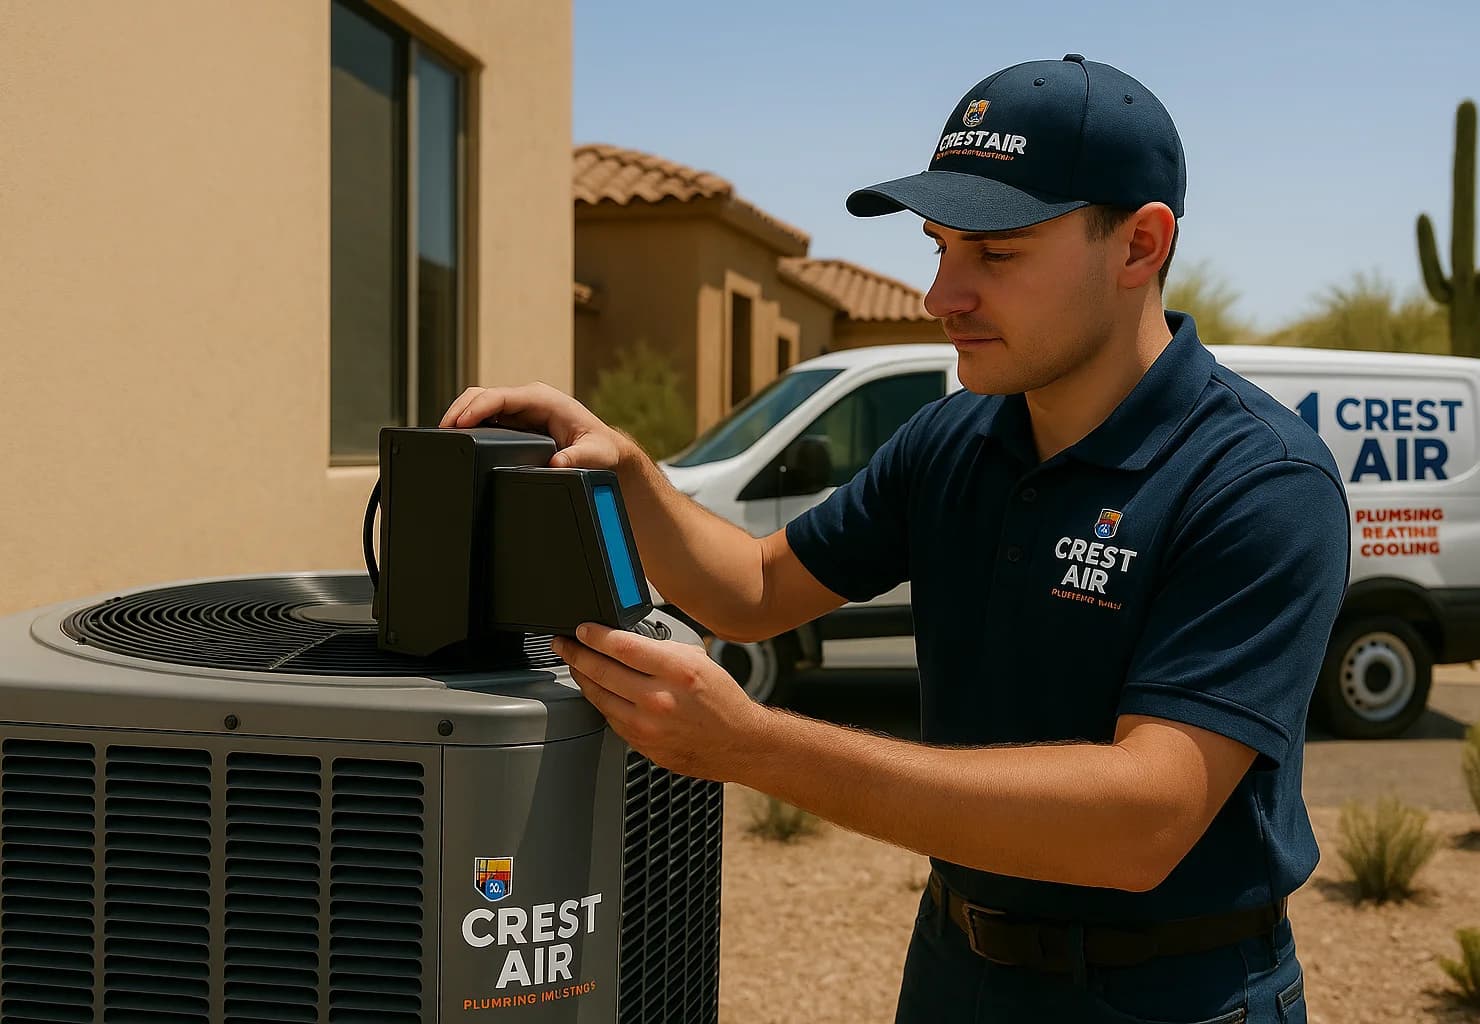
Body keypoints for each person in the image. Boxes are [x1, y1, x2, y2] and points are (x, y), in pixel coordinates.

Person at [442, 54, 1348, 1024]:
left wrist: (753, 747)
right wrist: (625, 469)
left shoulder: (1257, 479)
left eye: (996, 255)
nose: (942, 296)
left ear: (1139, 245)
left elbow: (1145, 820)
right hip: (956, 968)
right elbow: (752, 588)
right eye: (940, 248)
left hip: (1176, 993)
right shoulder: (953, 441)